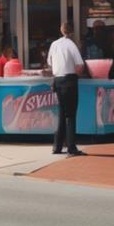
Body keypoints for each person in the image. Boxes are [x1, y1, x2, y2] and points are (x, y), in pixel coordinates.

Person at [47, 22, 85, 156]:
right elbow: (80, 64)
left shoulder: (54, 44)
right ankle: (71, 147)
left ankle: (57, 146)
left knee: (62, 113)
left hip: (57, 80)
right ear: (72, 32)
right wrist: (78, 73)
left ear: (61, 30)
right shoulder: (71, 44)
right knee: (70, 114)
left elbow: (49, 62)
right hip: (69, 80)